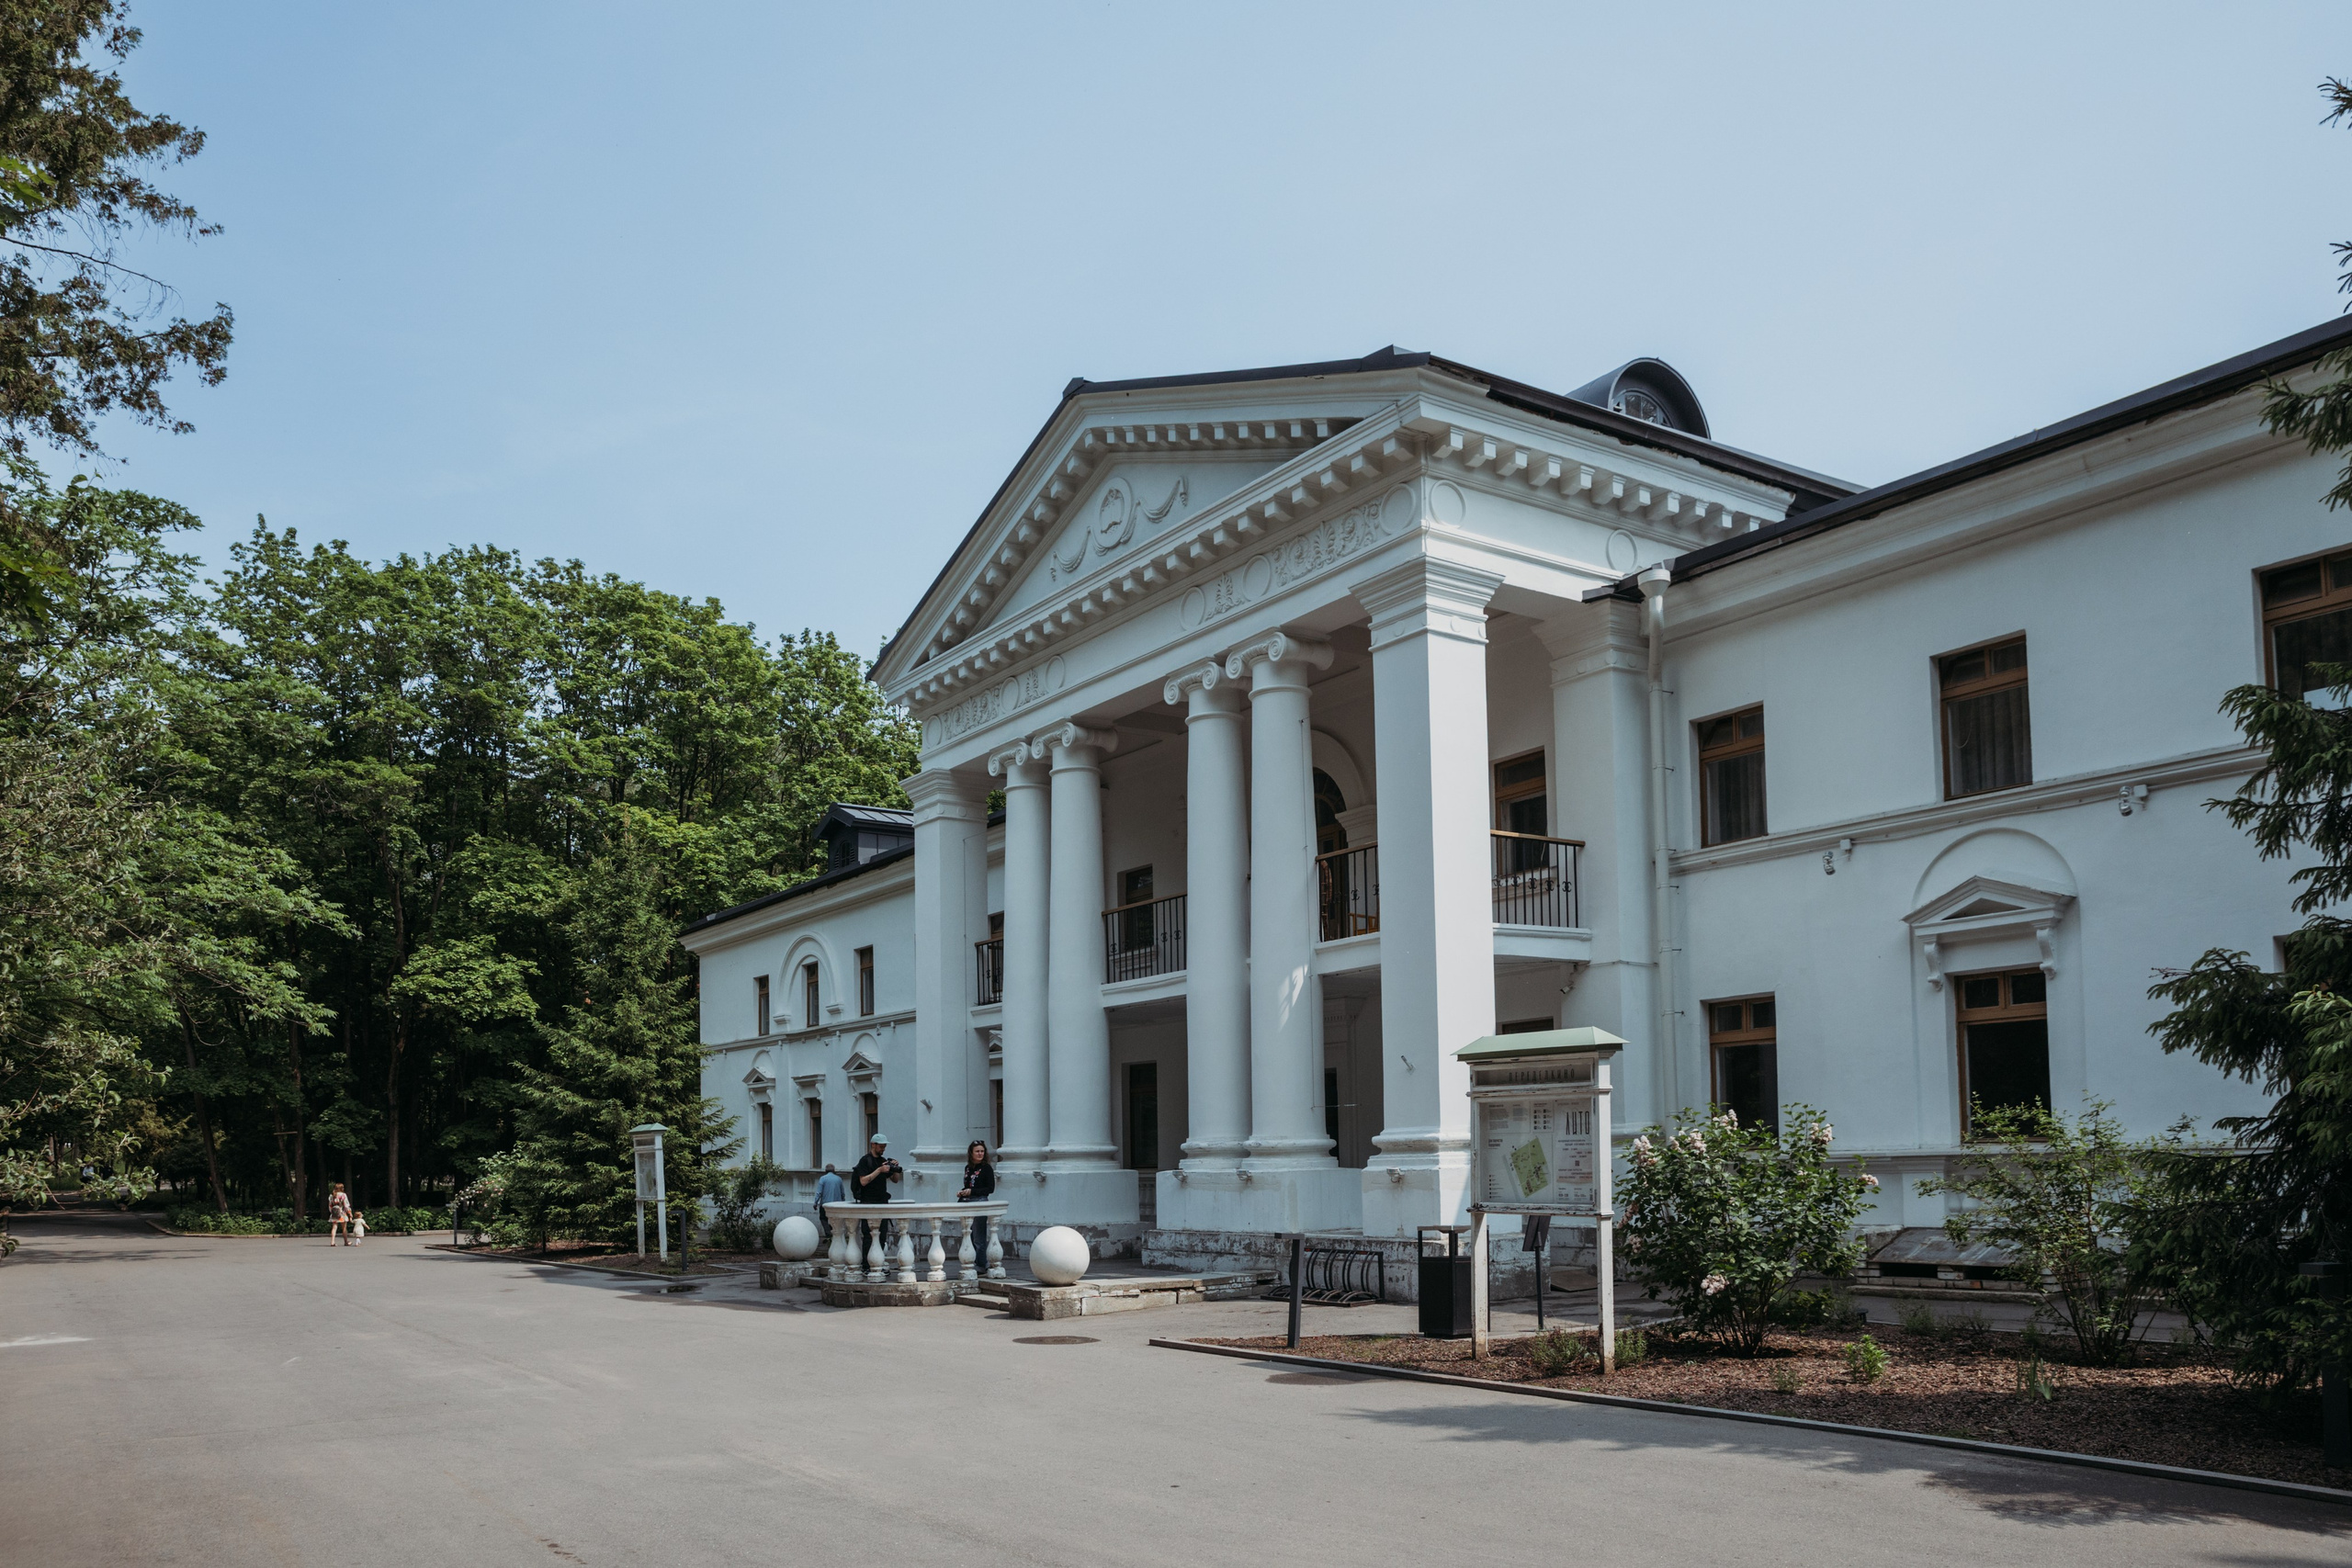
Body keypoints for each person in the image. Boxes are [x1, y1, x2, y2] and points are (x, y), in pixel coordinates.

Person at [849, 1134, 901, 1260]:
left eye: (884, 1146)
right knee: (868, 1235)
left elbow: (895, 1180)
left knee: (882, 1235)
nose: (883, 1149)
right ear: (873, 1144)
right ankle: (867, 1265)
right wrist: (879, 1170)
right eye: (881, 1146)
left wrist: (894, 1169)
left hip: (882, 1202)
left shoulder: (883, 1160)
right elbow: (863, 1181)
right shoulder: (865, 1161)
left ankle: (878, 1262)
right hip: (868, 1202)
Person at [956, 1140, 995, 1263]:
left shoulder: (986, 1168)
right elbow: (969, 1185)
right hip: (967, 1201)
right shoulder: (968, 1168)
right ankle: (970, 1261)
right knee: (969, 1234)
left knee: (979, 1236)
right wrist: (962, 1192)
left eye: (982, 1151)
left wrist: (972, 1192)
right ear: (971, 1153)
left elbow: (990, 1189)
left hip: (979, 1201)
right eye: (977, 1151)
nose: (980, 1154)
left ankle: (981, 1264)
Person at [812, 1161, 846, 1245]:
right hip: (837, 1205)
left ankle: (828, 1234)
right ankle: (834, 1234)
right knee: (835, 1220)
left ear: (825, 1171)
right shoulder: (839, 1179)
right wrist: (843, 1202)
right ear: (834, 1171)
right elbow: (843, 1193)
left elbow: (819, 1192)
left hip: (825, 1204)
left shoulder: (823, 1178)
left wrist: (815, 1203)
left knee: (823, 1218)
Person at [326, 1182, 351, 1246]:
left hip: (334, 1213)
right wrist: (349, 1213)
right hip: (342, 1213)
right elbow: (346, 1205)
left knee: (334, 1227)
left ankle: (332, 1242)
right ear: (341, 1188)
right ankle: (346, 1242)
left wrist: (332, 1212)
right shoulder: (343, 1195)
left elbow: (330, 1205)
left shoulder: (332, 1195)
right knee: (344, 1228)